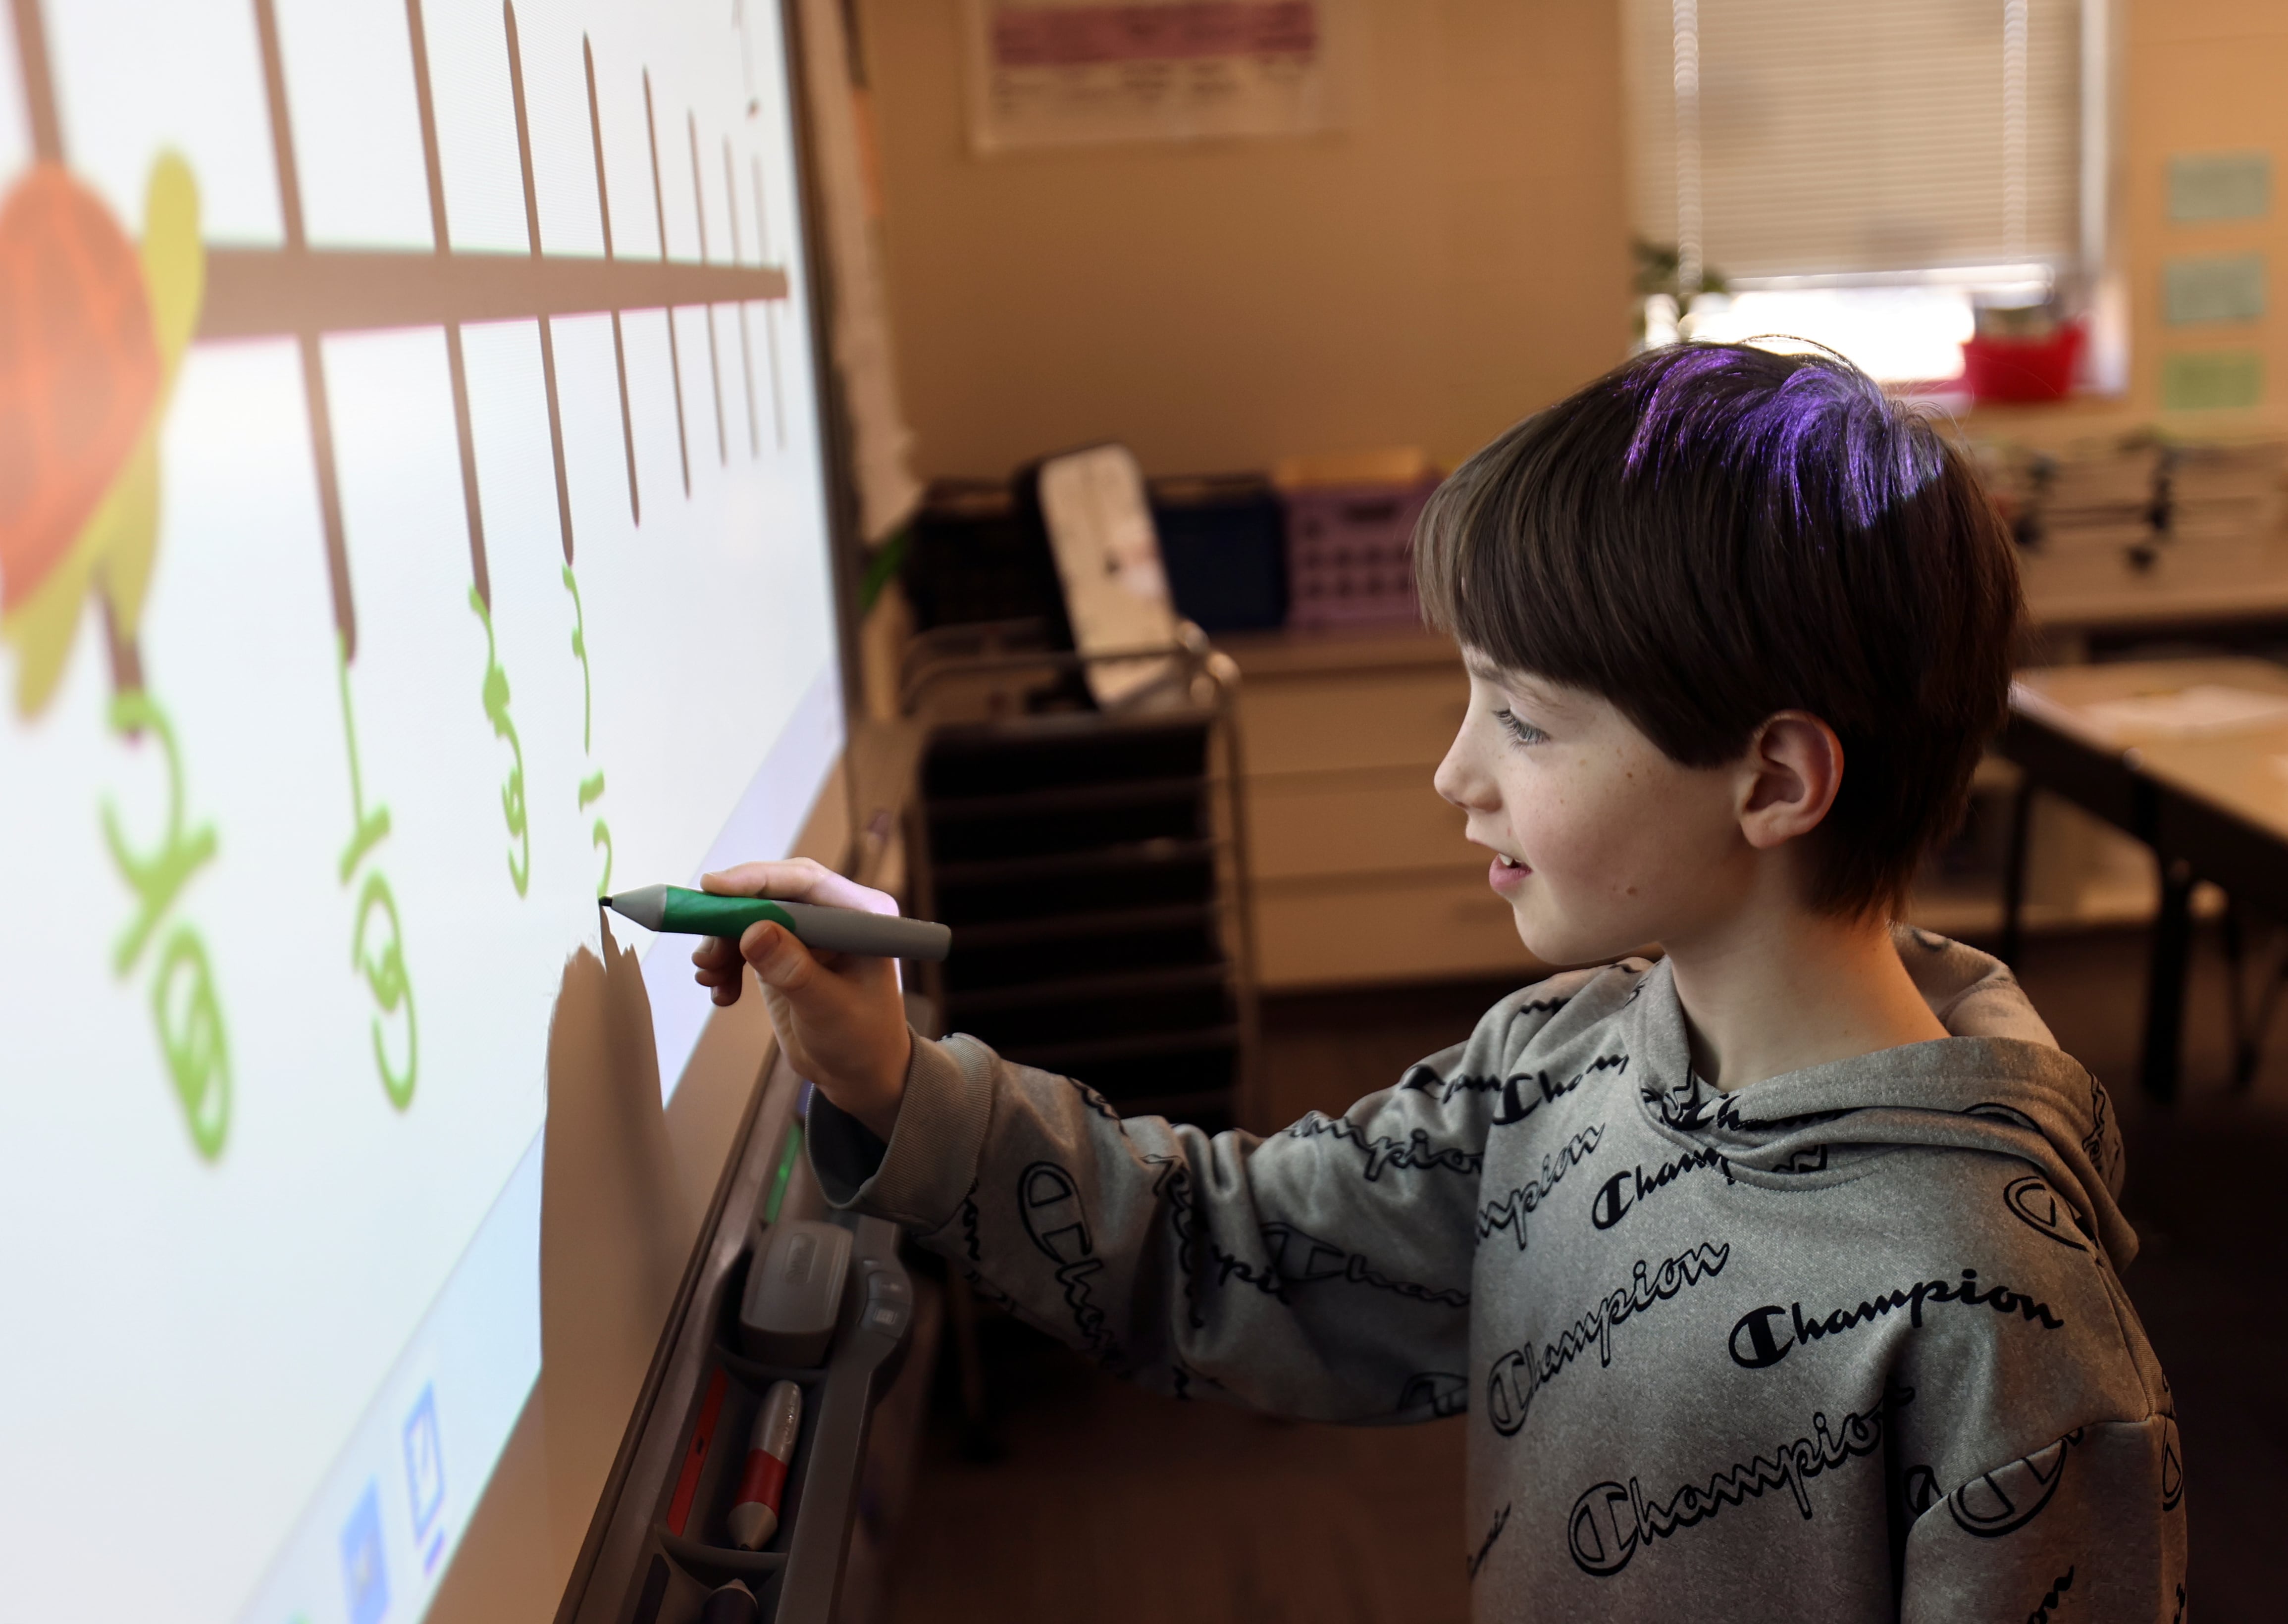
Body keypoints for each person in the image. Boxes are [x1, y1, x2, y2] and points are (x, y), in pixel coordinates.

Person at [693, 343, 2186, 1620]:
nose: (1452, 773)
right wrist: (888, 1075)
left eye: (1522, 722)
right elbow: (1234, 1252)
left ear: (1773, 779)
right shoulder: (1552, 1059)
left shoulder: (2011, 1327)